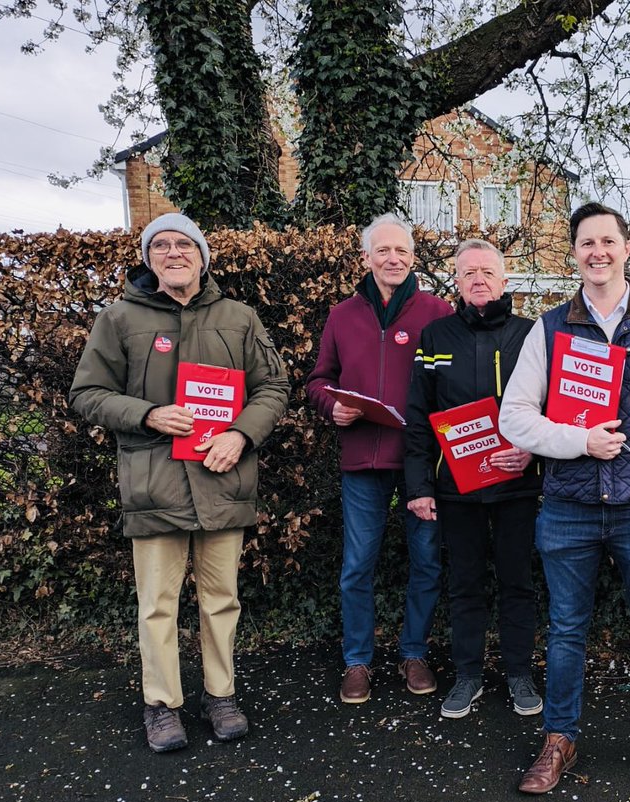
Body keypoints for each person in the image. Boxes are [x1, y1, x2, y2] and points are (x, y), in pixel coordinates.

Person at [499, 202, 630, 798]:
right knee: (566, 629)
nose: (598, 252)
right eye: (586, 243)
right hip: (567, 506)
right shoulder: (548, 328)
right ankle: (559, 739)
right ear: (574, 254)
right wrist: (578, 442)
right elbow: (514, 418)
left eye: (607, 242)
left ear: (624, 248)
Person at [69, 212, 290, 752]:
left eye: (184, 244)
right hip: (154, 482)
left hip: (223, 478)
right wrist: (147, 414)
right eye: (161, 245)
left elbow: (274, 386)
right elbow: (87, 393)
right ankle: (161, 705)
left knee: (221, 599)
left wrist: (240, 435)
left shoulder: (239, 317)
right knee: (158, 604)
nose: (174, 253)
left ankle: (221, 694)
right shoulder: (119, 319)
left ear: (202, 255)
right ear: (148, 259)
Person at [306, 214, 453, 704]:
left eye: (402, 252)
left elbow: (452, 385)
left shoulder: (438, 311)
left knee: (427, 562)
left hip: (421, 463)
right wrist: (334, 405)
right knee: (357, 566)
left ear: (414, 258)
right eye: (383, 251)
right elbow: (318, 379)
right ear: (365, 258)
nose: (394, 259)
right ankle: (357, 661)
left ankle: (414, 652)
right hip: (362, 461)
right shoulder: (342, 314)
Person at [403, 239, 543, 720]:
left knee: (517, 581)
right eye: (468, 274)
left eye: (487, 271)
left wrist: (532, 452)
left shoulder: (533, 334)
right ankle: (467, 675)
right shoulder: (435, 336)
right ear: (456, 283)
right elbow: (419, 415)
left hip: (518, 485)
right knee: (463, 583)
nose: (478, 279)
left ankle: (520, 673)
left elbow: (551, 409)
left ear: (505, 280)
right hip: (455, 487)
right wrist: (419, 487)